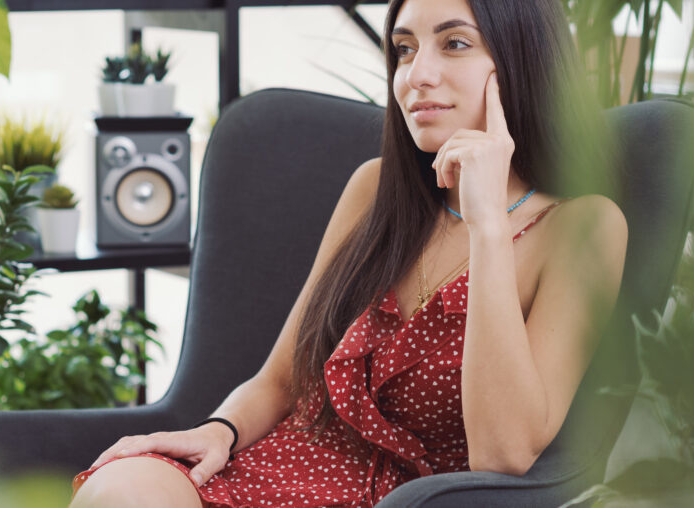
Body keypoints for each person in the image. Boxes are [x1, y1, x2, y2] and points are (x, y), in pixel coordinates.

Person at [70, 0, 627, 505]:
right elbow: (282, 380)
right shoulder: (374, 189)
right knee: (119, 488)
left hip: (407, 499)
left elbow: (503, 455)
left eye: (455, 43)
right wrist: (219, 431)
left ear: (523, 61)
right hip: (276, 471)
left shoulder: (583, 227)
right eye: (404, 49)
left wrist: (486, 223)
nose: (417, 75)